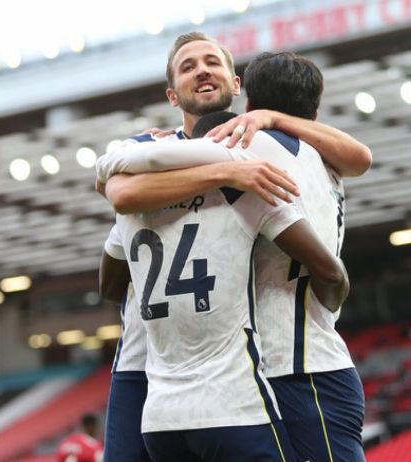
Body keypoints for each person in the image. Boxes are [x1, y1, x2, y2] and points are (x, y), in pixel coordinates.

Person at [98, 32, 370, 462]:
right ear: (171, 94)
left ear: (241, 90)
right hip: (164, 366)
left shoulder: (242, 149)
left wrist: (118, 160)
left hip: (265, 367)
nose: (202, 71)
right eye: (188, 66)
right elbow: (361, 158)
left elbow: (120, 193)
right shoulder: (308, 156)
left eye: (212, 62)